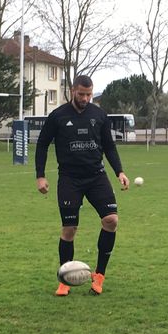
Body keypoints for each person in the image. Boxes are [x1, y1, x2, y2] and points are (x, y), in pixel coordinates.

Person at [35, 75, 129, 296]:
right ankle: (64, 280)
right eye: (81, 94)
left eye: (89, 94)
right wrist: (40, 176)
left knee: (111, 220)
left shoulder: (99, 115)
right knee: (69, 229)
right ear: (72, 91)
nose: (86, 98)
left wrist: (120, 171)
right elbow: (42, 145)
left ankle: (99, 276)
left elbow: (109, 147)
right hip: (69, 178)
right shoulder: (57, 116)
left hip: (97, 176)